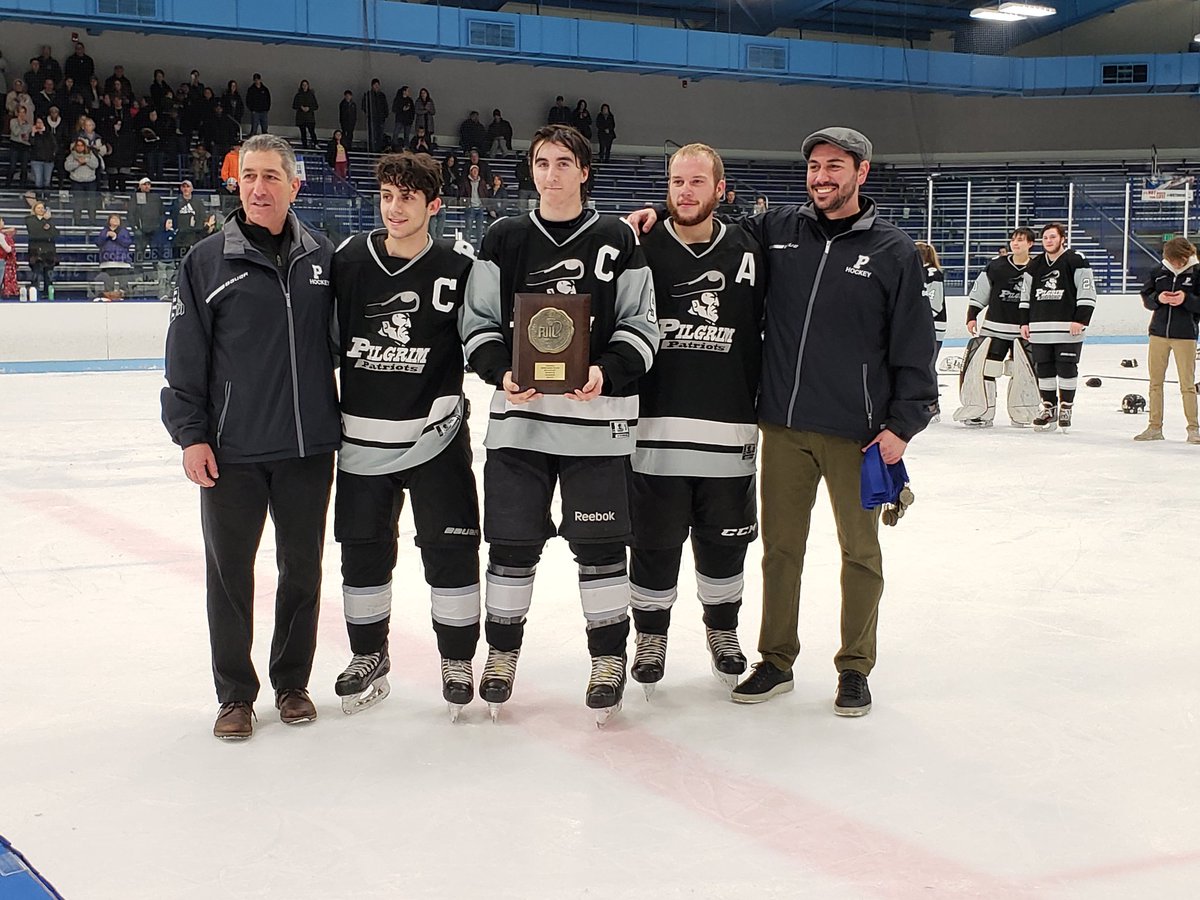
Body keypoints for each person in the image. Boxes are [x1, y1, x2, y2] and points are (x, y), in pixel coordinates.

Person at [629, 127, 936, 715]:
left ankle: (854, 666)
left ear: (861, 173)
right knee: (780, 550)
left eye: (835, 167)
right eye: (815, 166)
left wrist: (904, 423)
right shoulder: (778, 232)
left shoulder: (893, 251)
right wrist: (652, 215)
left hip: (861, 433)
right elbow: (703, 221)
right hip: (785, 427)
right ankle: (775, 659)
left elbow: (914, 346)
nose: (822, 177)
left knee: (860, 553)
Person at [460, 124, 658, 724]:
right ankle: (500, 656)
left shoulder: (617, 237)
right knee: (511, 546)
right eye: (541, 162)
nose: (551, 173)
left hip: (597, 427)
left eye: (563, 162)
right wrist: (500, 371)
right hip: (520, 425)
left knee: (599, 549)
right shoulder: (504, 236)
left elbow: (642, 325)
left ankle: (606, 661)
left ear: (584, 171)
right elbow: (479, 322)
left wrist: (605, 371)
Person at [161, 133, 340, 741]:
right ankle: (235, 694)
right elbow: (184, 360)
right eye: (249, 176)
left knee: (302, 572)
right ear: (236, 182)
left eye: (272, 177)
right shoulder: (206, 261)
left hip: (308, 449)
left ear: (295, 185)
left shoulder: (323, 257)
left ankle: (292, 684)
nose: (259, 188)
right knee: (230, 575)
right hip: (232, 452)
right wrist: (190, 435)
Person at [330, 151, 481, 719]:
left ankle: (458, 661)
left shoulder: (461, 266)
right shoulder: (348, 259)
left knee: (451, 550)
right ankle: (369, 655)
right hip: (362, 441)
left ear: (433, 206)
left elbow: (487, 338)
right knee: (363, 554)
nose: (394, 208)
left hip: (436, 439)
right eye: (387, 196)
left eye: (407, 199)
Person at [627, 143, 764, 698]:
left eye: (697, 182)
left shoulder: (751, 248)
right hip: (654, 433)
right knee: (654, 543)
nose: (685, 191)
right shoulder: (639, 245)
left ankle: (723, 632)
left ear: (720, 190)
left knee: (724, 542)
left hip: (729, 431)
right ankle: (651, 638)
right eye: (677, 181)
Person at [956, 227, 1038, 428]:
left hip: (1024, 331)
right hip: (994, 328)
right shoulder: (996, 266)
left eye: (1020, 240)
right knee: (986, 370)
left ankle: (1024, 413)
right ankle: (982, 412)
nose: (1015, 244)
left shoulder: (1039, 268)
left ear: (1030, 244)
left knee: (1024, 372)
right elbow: (980, 292)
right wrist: (972, 316)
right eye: (1013, 240)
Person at [1019, 223, 1097, 432]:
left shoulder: (1075, 260)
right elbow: (1025, 296)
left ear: (1062, 238)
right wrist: (1024, 322)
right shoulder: (1035, 265)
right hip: (1040, 327)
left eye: (1052, 237)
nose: (1049, 241)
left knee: (1066, 367)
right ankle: (1048, 407)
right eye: (1045, 238)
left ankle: (1066, 407)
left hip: (1068, 328)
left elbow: (1087, 292)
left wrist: (1081, 320)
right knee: (1043, 369)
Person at [1135, 236, 1200, 443]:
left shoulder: (1197, 273)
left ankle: (1193, 429)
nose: (1175, 264)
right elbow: (1147, 296)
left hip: (1185, 336)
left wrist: (1186, 299)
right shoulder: (1158, 272)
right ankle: (1154, 427)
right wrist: (1158, 299)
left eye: (1178, 260)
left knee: (1187, 385)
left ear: (1186, 256)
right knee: (1155, 383)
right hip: (1158, 334)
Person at [915, 241, 945, 420]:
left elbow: (935, 304)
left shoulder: (933, 274)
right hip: (923, 327)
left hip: (931, 327)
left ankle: (933, 405)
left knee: (927, 366)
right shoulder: (919, 272)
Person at [128, 177, 165, 271]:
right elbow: (131, 214)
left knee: (156, 252)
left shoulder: (156, 197)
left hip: (154, 230)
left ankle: (156, 272)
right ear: (140, 186)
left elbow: (162, 212)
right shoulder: (135, 197)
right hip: (141, 230)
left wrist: (160, 225)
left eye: (148, 184)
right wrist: (135, 228)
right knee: (139, 252)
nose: (147, 186)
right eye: (145, 184)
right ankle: (138, 272)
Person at [94, 213, 134, 300]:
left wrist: (116, 237)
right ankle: (109, 297)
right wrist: (106, 236)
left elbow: (127, 243)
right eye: (113, 219)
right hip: (107, 262)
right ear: (109, 221)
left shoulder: (124, 231)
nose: (115, 220)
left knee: (123, 283)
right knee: (108, 283)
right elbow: (98, 242)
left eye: (117, 219)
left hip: (122, 262)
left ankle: (124, 297)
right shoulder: (104, 231)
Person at [24, 200, 58, 298]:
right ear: (34, 209)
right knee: (36, 274)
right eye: (38, 208)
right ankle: (34, 294)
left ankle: (48, 293)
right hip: (36, 251)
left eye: (42, 208)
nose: (41, 210)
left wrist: (47, 222)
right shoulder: (29, 219)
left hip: (49, 252)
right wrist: (45, 230)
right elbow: (35, 233)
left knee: (48, 275)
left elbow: (55, 233)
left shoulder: (49, 221)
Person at [166, 179, 205, 260]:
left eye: (188, 186)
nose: (186, 189)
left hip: (194, 234)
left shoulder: (198, 202)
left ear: (192, 189)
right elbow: (173, 216)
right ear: (181, 189)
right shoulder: (177, 202)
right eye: (184, 187)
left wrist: (197, 227)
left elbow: (202, 216)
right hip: (181, 234)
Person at [64, 136, 99, 225]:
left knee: (92, 203)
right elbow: (67, 167)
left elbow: (95, 165)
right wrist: (78, 163)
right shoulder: (71, 156)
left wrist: (86, 161)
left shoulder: (91, 155)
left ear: (84, 146)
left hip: (90, 182)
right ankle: (77, 221)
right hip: (77, 182)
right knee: (78, 203)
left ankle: (92, 221)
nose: (80, 147)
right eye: (78, 145)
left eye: (81, 145)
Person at [458, 163, 490, 250]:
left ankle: (479, 248)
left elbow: (485, 193)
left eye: (477, 170)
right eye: (474, 170)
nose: (475, 172)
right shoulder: (466, 182)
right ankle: (469, 248)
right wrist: (466, 204)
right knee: (468, 229)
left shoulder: (482, 182)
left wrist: (484, 203)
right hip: (470, 207)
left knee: (479, 230)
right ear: (470, 172)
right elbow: (462, 194)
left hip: (479, 208)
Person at [362, 78, 388, 153]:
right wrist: (369, 113)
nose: (376, 86)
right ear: (372, 86)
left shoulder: (382, 95)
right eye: (375, 85)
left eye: (378, 85)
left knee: (380, 135)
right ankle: (372, 150)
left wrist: (385, 115)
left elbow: (385, 106)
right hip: (372, 119)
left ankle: (379, 150)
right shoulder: (368, 95)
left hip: (381, 119)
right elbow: (364, 106)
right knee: (372, 135)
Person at [292, 80, 318, 149]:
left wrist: (309, 108)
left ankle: (315, 144)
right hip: (301, 117)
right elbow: (294, 105)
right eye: (303, 85)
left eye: (306, 85)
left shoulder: (311, 95)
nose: (304, 86)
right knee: (303, 133)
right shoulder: (298, 95)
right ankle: (304, 146)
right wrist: (301, 107)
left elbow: (316, 106)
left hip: (310, 117)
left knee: (312, 131)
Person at [391, 85, 415, 150]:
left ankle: (406, 147)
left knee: (406, 135)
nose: (409, 92)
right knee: (396, 133)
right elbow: (394, 109)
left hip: (408, 121)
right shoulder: (398, 99)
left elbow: (413, 110)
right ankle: (394, 146)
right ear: (404, 92)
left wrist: (411, 119)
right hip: (400, 119)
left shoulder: (410, 100)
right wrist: (402, 109)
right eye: (408, 91)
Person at [0, 219, 17, 299]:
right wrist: (12, 247)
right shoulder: (1, 236)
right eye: (2, 221)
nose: (3, 223)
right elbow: (7, 249)